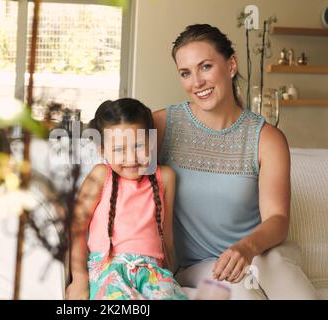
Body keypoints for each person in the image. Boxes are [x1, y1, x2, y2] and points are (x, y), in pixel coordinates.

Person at [153, 24, 318, 299]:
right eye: (185, 73)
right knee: (239, 288)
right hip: (199, 265)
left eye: (205, 67)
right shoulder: (161, 126)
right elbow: (109, 152)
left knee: (273, 264)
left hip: (261, 252)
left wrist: (246, 248)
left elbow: (277, 218)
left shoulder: (266, 138)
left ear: (231, 66)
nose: (196, 82)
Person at [65, 98, 188, 300]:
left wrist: (169, 279)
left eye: (139, 145)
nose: (131, 158)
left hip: (152, 273)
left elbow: (166, 235)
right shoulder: (100, 175)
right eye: (119, 149)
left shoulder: (165, 177)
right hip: (108, 271)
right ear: (103, 151)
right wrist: (79, 280)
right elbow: (76, 228)